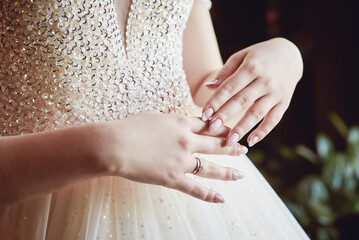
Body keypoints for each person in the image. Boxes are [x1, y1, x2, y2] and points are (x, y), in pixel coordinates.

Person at [0, 0, 309, 239]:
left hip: (195, 209)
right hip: (46, 208)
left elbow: (203, 90)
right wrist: (107, 147)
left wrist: (284, 60)